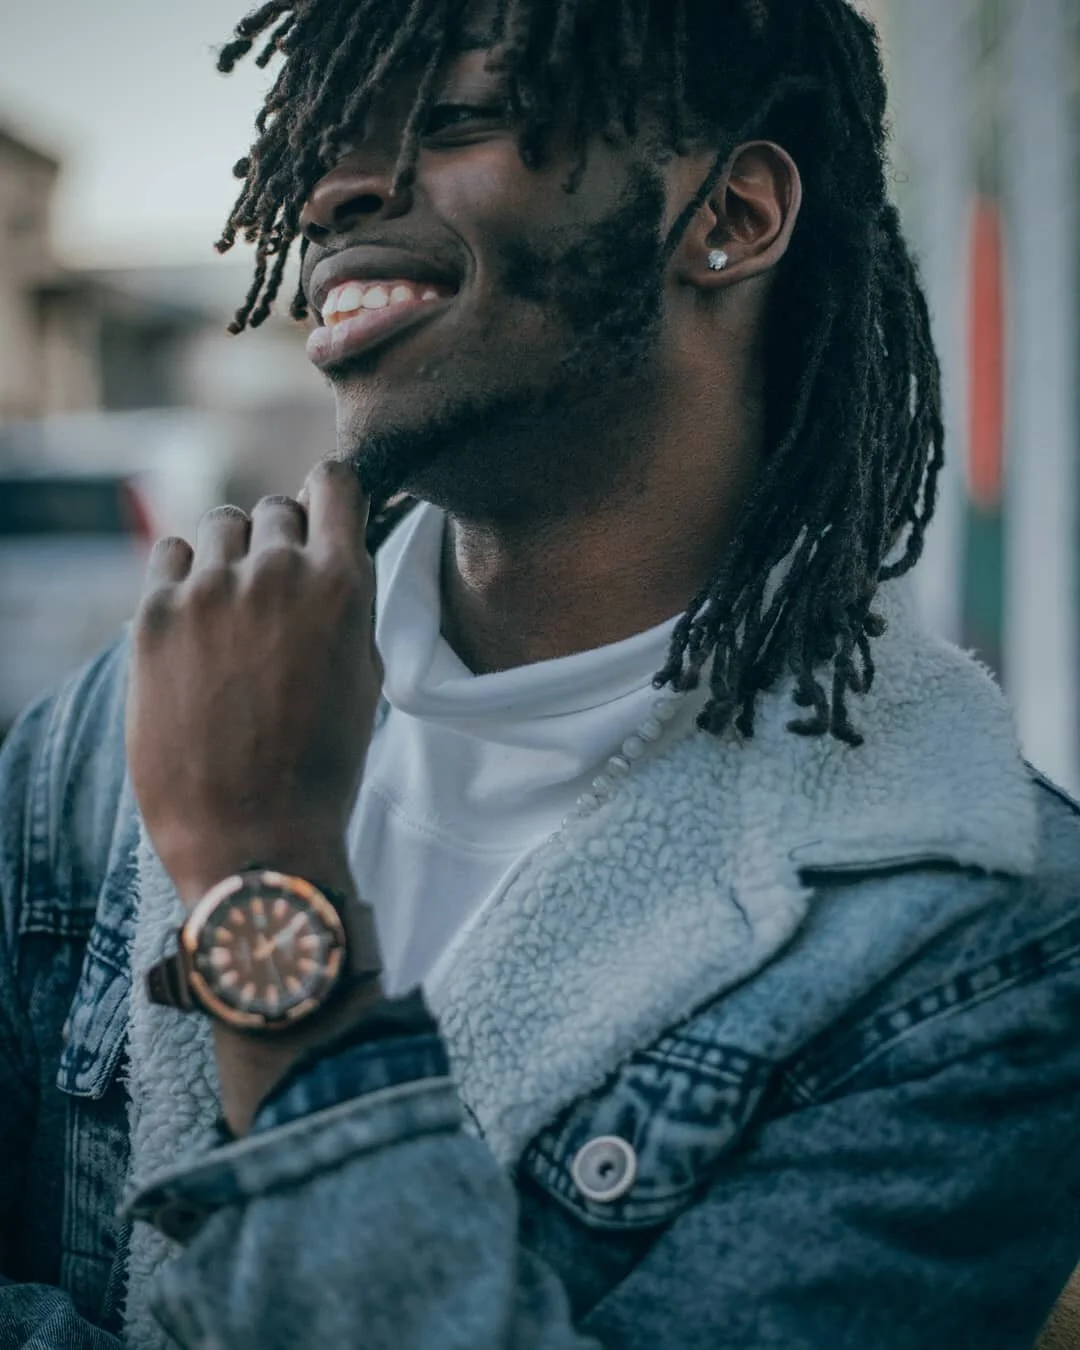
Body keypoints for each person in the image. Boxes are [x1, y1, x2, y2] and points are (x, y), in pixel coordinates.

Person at [1, 0, 1078, 1346]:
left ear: (730, 214)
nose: (334, 185)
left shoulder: (979, 939)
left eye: (453, 119)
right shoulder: (121, 726)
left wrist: (261, 872)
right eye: (328, 134)